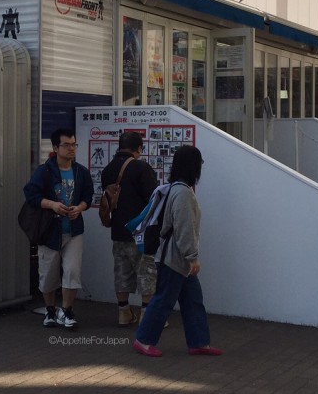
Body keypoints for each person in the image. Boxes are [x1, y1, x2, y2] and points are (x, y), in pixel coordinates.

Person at [133, 145, 221, 358]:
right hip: (175, 259)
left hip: (173, 257)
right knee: (164, 300)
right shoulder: (182, 193)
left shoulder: (175, 188)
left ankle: (199, 342)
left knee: (192, 301)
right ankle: (144, 339)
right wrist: (192, 258)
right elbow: (184, 228)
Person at [23, 127, 94, 329]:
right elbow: (31, 195)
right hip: (49, 230)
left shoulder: (81, 171)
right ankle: (50, 310)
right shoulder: (44, 171)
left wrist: (79, 208)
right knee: (48, 273)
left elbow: (88, 197)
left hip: (74, 229)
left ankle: (67, 310)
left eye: (74, 144)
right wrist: (52, 204)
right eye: (67, 145)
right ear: (56, 147)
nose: (71, 149)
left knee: (72, 270)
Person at [100, 131, 158, 326]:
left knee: (122, 271)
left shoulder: (108, 169)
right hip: (140, 232)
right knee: (146, 272)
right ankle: (147, 315)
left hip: (118, 231)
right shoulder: (142, 168)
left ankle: (124, 312)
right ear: (138, 149)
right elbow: (152, 200)